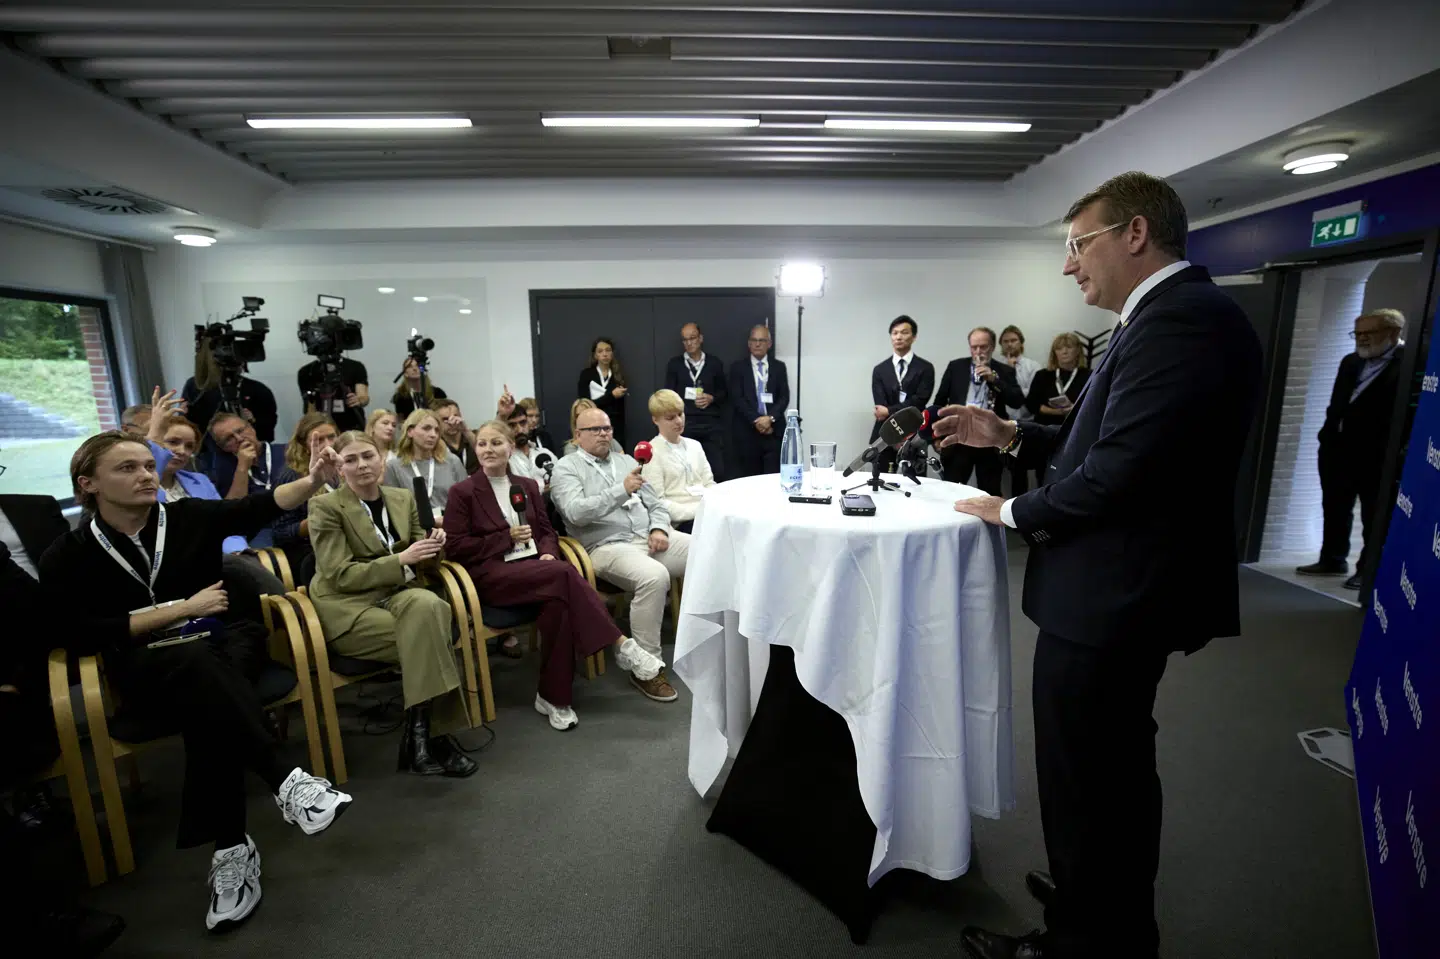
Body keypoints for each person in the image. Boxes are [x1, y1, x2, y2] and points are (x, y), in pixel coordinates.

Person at [937, 171, 1262, 959]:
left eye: (1078, 244)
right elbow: (1100, 446)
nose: (1068, 265)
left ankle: (1084, 939)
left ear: (1136, 234)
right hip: (1116, 591)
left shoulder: (1183, 323)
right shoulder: (1158, 321)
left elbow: (1121, 475)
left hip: (1117, 597)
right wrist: (1009, 438)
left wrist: (1009, 510)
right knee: (1104, 771)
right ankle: (1098, 898)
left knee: (1092, 775)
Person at [39, 431, 353, 932]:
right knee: (203, 684)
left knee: (207, 675)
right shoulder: (67, 553)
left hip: (226, 641)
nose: (145, 474)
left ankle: (234, 851)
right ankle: (283, 785)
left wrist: (313, 480)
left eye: (147, 465)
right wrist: (181, 609)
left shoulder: (186, 517)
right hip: (149, 665)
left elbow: (259, 506)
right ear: (88, 484)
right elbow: (73, 634)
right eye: (127, 469)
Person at [443, 421, 667, 731]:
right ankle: (622, 645)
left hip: (540, 571)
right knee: (564, 573)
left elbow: (547, 531)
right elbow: (455, 547)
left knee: (559, 604)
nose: (488, 449)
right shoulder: (462, 492)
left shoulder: (527, 485)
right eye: (482, 444)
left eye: (496, 443)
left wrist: (548, 551)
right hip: (493, 577)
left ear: (510, 448)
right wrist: (506, 537)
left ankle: (553, 698)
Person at [307, 431, 476, 777]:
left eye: (368, 456)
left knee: (428, 608)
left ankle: (420, 737)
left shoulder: (402, 498)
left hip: (400, 596)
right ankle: (433, 738)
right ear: (339, 468)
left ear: (382, 457)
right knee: (431, 622)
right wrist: (402, 561)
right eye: (350, 460)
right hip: (350, 608)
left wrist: (434, 545)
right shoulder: (324, 507)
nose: (362, 465)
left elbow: (423, 562)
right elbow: (340, 575)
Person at [550, 408, 690, 703]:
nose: (603, 434)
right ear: (578, 436)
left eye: (607, 428)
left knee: (704, 552)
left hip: (647, 538)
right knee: (654, 577)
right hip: (606, 546)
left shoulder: (626, 460)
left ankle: (702, 639)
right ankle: (646, 669)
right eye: (595, 430)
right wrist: (620, 491)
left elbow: (656, 503)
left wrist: (659, 528)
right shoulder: (566, 468)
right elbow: (575, 513)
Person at [1296, 308, 1406, 590]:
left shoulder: (1407, 362)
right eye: (1358, 334)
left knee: (1373, 515)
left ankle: (1367, 571)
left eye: (1370, 333)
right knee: (1334, 507)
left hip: (1377, 455)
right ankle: (1332, 559)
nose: (1362, 339)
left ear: (1394, 333)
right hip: (1337, 450)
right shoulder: (1351, 362)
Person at [933, 327, 1025, 495]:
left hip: (990, 440)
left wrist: (994, 379)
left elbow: (1017, 401)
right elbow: (939, 403)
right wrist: (937, 437)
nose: (978, 351)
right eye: (974, 347)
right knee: (949, 490)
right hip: (958, 438)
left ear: (992, 347)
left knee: (990, 492)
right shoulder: (956, 367)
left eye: (983, 347)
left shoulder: (1004, 371)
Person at [267, 413, 341, 570]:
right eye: (319, 440)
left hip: (341, 542)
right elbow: (280, 534)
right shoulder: (291, 476)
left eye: (331, 437)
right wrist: (314, 522)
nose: (328, 445)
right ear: (304, 445)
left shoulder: (342, 467)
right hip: (306, 552)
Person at [641, 389, 716, 534]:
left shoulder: (695, 445)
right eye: (670, 418)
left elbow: (709, 484)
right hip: (680, 522)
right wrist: (697, 510)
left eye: (680, 414)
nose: (679, 421)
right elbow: (657, 502)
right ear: (655, 420)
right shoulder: (652, 452)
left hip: (706, 512)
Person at [662, 322, 728, 481]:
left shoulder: (714, 363)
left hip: (711, 423)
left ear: (700, 338)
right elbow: (668, 394)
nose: (689, 343)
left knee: (716, 471)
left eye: (692, 338)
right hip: (686, 423)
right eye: (685, 340)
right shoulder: (675, 364)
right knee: (687, 471)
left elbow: (724, 392)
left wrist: (712, 398)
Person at [870, 315, 936, 472]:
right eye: (894, 333)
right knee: (881, 481)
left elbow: (919, 401)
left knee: (916, 482)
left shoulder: (925, 368)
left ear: (914, 337)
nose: (898, 337)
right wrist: (889, 418)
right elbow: (881, 407)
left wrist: (890, 411)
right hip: (884, 432)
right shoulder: (880, 370)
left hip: (915, 432)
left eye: (904, 332)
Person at [727, 324, 790, 478]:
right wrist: (757, 420)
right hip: (747, 432)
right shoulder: (738, 368)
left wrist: (770, 419)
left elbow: (784, 397)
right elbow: (737, 398)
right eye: (754, 340)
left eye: (762, 340)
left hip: (773, 432)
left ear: (769, 344)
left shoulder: (779, 367)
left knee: (772, 480)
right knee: (748, 480)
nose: (757, 344)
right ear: (749, 344)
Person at [183, 341, 277, 443]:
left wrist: (252, 423)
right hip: (206, 453)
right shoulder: (196, 386)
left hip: (250, 451)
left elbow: (267, 436)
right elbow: (186, 430)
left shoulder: (258, 390)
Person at [384, 408, 468, 520]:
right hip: (415, 528)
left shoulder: (452, 461)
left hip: (451, 523)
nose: (433, 435)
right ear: (410, 431)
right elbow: (395, 509)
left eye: (437, 430)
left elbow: (467, 500)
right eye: (426, 428)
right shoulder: (394, 466)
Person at [998, 325, 1043, 493]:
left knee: (1024, 468)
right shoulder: (996, 367)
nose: (1010, 344)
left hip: (1028, 422)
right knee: (1005, 470)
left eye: (1013, 340)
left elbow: (1034, 394)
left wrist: (1009, 389)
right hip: (1002, 423)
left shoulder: (1034, 366)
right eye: (1005, 341)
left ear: (1021, 343)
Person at [1025, 333, 1091, 428]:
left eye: (1069, 347)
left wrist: (1074, 409)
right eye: (1059, 349)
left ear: (1078, 351)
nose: (1064, 352)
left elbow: (1093, 404)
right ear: (1054, 353)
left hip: (1076, 428)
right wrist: (1056, 412)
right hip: (1044, 428)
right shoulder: (1042, 375)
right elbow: (1031, 404)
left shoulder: (1089, 376)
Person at [297, 352, 369, 433]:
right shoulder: (307, 371)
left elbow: (364, 397)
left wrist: (358, 400)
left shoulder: (355, 366)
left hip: (352, 424)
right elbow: (309, 408)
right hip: (321, 426)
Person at [577, 337, 629, 448]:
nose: (604, 354)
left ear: (612, 353)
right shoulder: (587, 374)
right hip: (592, 424)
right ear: (595, 355)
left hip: (614, 426)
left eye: (608, 350)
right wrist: (611, 396)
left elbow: (619, 409)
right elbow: (585, 404)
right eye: (600, 351)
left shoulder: (618, 376)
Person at [431, 399, 480, 476]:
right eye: (445, 419)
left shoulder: (472, 436)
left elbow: (484, 448)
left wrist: (466, 431)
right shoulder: (433, 444)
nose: (452, 422)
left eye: (455, 416)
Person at [391, 356, 447, 421]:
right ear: (405, 373)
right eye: (410, 366)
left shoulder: (438, 393)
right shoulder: (400, 396)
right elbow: (401, 422)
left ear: (423, 369)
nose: (415, 368)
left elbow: (445, 416)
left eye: (418, 365)